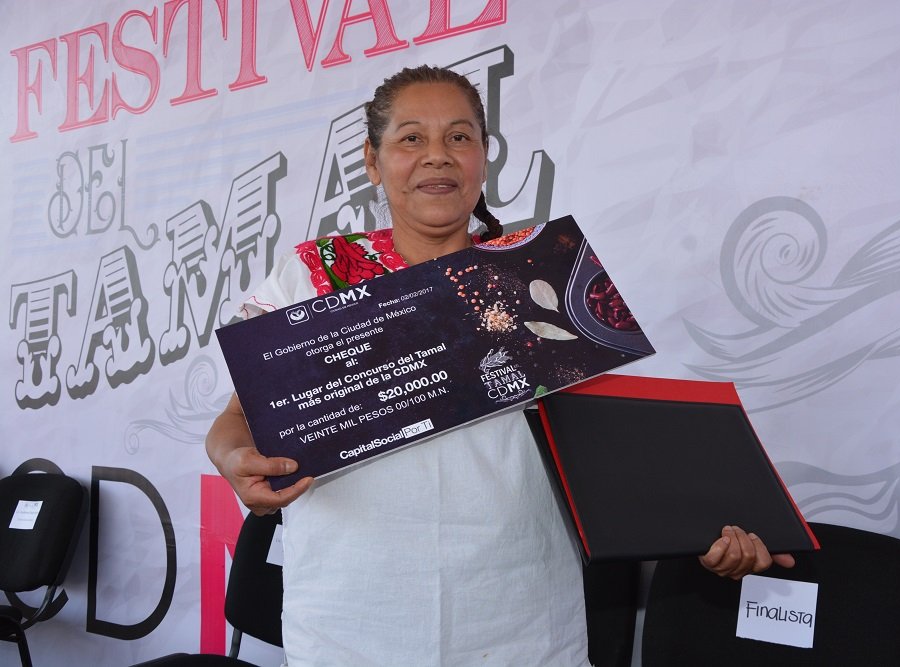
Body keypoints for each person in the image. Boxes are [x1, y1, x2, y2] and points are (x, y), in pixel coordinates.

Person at [206, 65, 794, 666]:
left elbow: (608, 452)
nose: (437, 155)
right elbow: (236, 422)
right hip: (354, 622)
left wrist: (702, 528)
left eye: (459, 137)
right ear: (372, 162)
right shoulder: (313, 276)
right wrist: (234, 462)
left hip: (521, 618)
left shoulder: (543, 276)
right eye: (411, 138)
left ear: (483, 158)